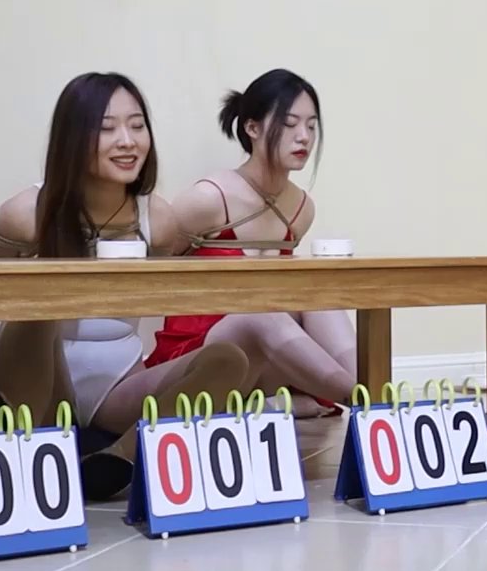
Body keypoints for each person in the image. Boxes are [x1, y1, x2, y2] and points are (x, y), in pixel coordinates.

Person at [0, 72, 249, 502]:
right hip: (40, 374)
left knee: (229, 358)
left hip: (116, 382)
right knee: (37, 308)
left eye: (137, 126)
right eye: (107, 129)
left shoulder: (158, 219)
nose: (127, 141)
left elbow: (161, 294)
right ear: (72, 137)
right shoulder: (25, 214)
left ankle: (116, 461)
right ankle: (17, 443)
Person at [148, 69, 358, 415]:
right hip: (204, 353)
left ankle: (370, 389)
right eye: (289, 124)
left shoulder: (302, 208)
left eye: (311, 126)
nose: (303, 137)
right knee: (262, 316)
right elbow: (153, 272)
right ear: (252, 128)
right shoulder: (208, 199)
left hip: (267, 354)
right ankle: (368, 400)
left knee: (319, 295)